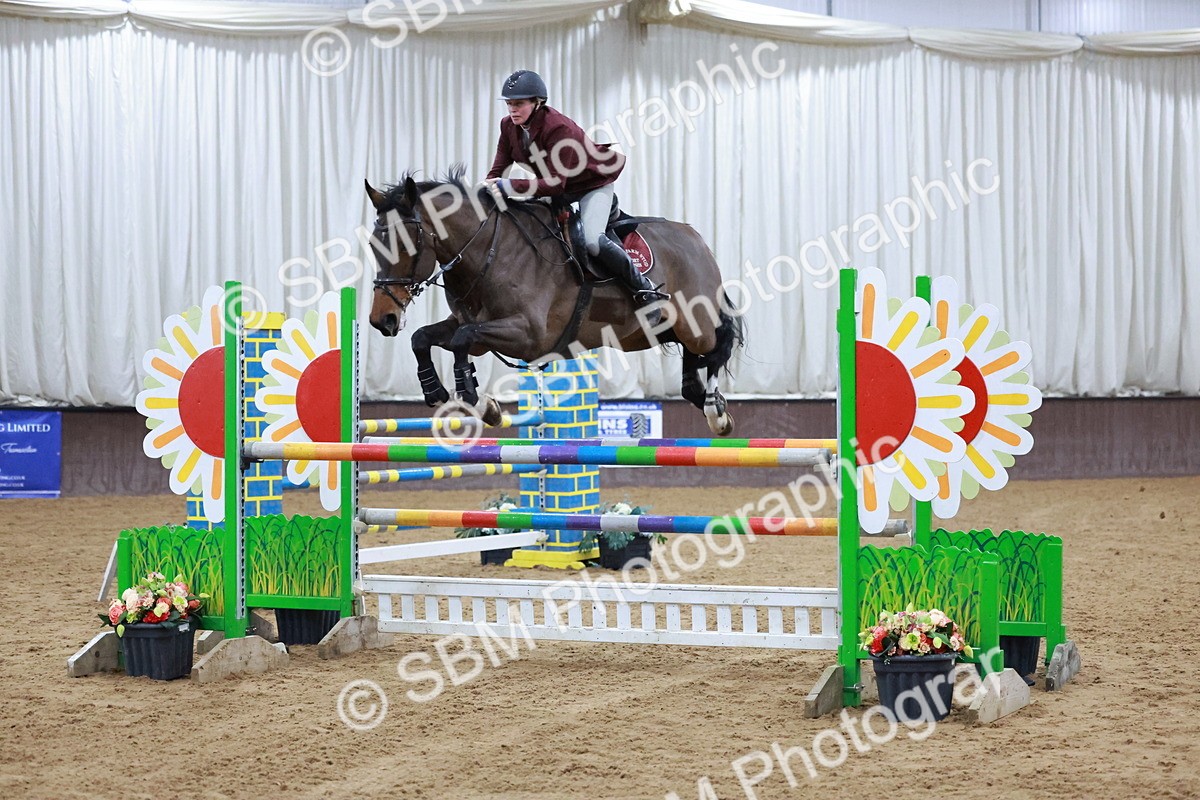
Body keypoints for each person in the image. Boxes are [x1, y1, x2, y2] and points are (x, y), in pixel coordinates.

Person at [485, 69, 668, 323]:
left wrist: (508, 185)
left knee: (592, 240)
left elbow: (554, 185)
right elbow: (498, 171)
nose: (512, 110)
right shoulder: (508, 126)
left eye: (519, 104)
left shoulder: (558, 127)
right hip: (555, 185)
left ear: (538, 103)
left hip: (592, 184)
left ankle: (645, 289)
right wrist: (485, 190)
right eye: (509, 104)